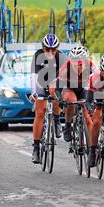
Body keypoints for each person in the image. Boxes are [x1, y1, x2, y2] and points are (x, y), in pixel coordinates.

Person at [29, 34, 67, 164]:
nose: (50, 52)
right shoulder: (37, 56)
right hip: (40, 81)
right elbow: (34, 77)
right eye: (47, 50)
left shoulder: (61, 57)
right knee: (40, 113)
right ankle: (35, 148)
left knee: (54, 93)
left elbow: (65, 78)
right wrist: (34, 93)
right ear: (42, 48)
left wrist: (61, 94)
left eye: (53, 50)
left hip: (55, 80)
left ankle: (56, 121)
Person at [56, 45, 97, 142]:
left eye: (80, 63)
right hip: (69, 88)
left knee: (87, 112)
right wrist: (60, 99)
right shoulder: (65, 67)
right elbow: (58, 88)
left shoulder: (91, 65)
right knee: (71, 101)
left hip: (84, 88)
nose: (77, 65)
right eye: (74, 62)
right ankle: (67, 126)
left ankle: (91, 141)